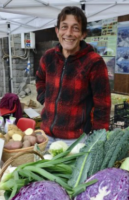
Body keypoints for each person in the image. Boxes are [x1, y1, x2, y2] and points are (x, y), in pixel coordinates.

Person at [36, 6, 111, 146]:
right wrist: (44, 99)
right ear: (57, 31)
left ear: (83, 34)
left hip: (75, 140)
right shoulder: (49, 57)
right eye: (64, 27)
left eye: (75, 28)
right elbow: (39, 79)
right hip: (46, 135)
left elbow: (103, 105)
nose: (68, 33)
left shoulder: (94, 62)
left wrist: (98, 141)